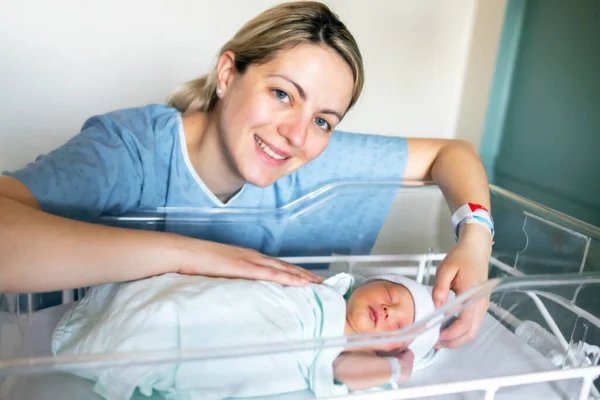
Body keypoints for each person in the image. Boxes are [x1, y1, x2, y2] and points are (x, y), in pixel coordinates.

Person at [0, 1, 493, 350]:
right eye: (282, 93)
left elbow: (452, 153)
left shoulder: (313, 160)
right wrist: (196, 256)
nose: (297, 134)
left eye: (323, 119)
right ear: (228, 74)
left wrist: (476, 238)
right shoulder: (131, 149)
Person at [51, 272, 444, 398]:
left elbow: (345, 372)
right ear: (369, 283)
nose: (389, 312)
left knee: (183, 341)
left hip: (233, 347)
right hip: (236, 304)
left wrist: (397, 369)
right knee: (189, 304)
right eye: (392, 296)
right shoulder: (318, 291)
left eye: (399, 327)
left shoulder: (340, 352)